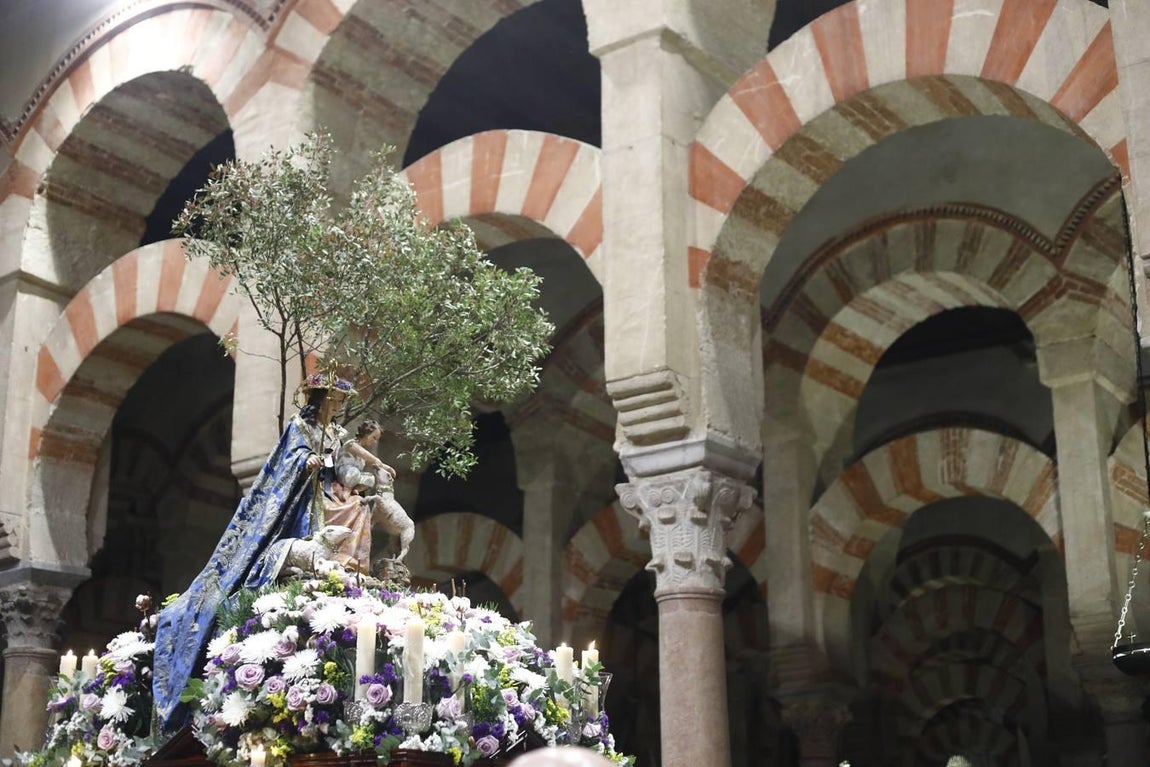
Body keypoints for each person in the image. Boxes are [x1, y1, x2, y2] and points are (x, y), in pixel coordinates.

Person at [151, 373, 354, 731]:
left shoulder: (335, 433)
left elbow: (337, 467)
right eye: (333, 401)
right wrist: (306, 461)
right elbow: (289, 459)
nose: (336, 407)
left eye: (341, 403)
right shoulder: (299, 427)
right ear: (319, 400)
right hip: (293, 500)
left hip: (320, 498)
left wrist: (338, 470)